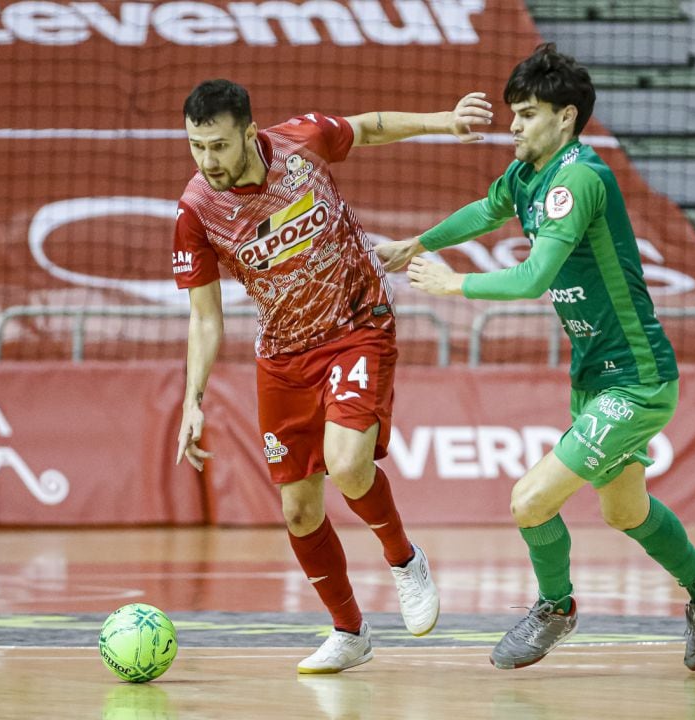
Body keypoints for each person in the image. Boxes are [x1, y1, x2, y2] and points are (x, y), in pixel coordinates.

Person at [377, 44, 695, 672]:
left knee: (530, 500)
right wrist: (419, 241)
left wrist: (452, 284)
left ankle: (556, 607)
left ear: (566, 117)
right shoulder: (527, 172)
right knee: (625, 509)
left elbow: (531, 277)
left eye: (526, 114)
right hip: (594, 375)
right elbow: (486, 210)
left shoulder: (577, 178)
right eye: (512, 113)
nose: (513, 126)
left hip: (635, 379)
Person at [172, 79, 493, 674]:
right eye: (196, 146)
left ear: (248, 132)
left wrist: (444, 120)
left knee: (347, 463)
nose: (207, 160)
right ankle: (350, 632)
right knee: (299, 510)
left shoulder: (302, 143)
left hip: (356, 324)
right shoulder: (196, 210)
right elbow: (204, 318)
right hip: (282, 355)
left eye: (218, 145)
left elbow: (368, 126)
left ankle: (404, 560)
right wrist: (193, 401)